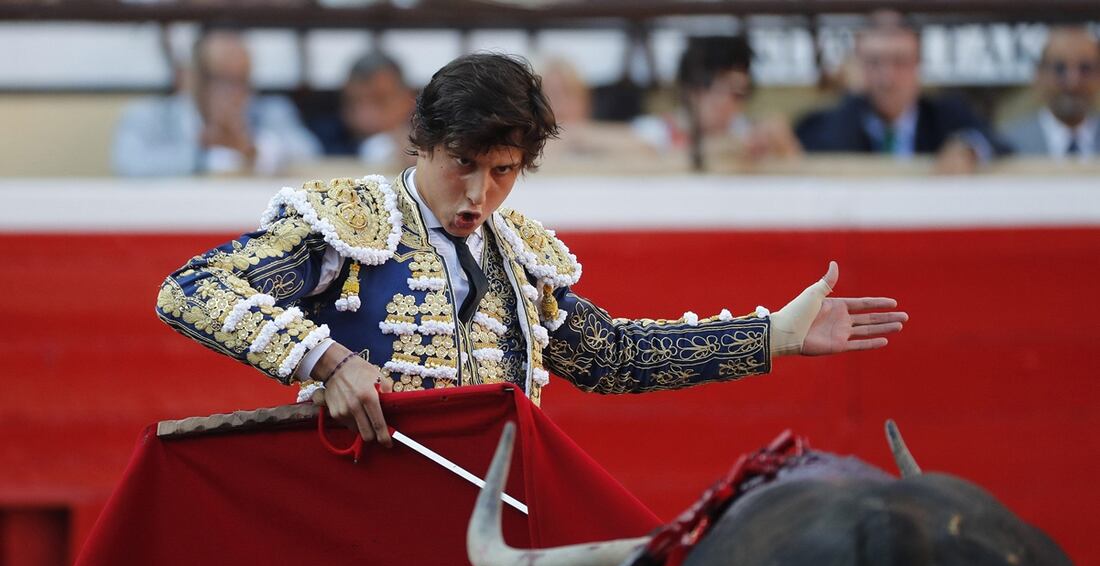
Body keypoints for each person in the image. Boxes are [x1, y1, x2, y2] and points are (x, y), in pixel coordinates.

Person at [157, 53, 907, 447]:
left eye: (504, 172)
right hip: (360, 503)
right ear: (422, 143)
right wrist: (328, 360)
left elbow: (613, 359)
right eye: (463, 164)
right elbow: (190, 289)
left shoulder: (519, 260)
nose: (479, 194)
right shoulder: (352, 220)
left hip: (490, 518)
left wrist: (774, 334)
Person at [795, 11, 1008, 173]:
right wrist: (853, 96)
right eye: (874, 62)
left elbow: (1000, 144)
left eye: (900, 62)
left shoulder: (947, 115)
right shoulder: (824, 124)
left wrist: (969, 149)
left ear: (918, 65)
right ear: (858, 64)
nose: (887, 78)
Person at [112, 29, 320, 177]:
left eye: (241, 80)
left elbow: (309, 155)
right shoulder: (150, 116)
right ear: (192, 79)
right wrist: (203, 155)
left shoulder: (271, 111)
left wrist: (251, 149)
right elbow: (129, 165)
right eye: (221, 79)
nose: (233, 92)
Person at [633, 35, 801, 170]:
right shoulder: (654, 132)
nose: (729, 103)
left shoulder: (747, 132)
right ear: (692, 90)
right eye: (722, 88)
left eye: (740, 93)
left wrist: (783, 145)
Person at [1002, 26, 1099, 160]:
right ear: (1039, 75)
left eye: (1085, 69)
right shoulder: (1009, 144)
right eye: (1060, 68)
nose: (1073, 82)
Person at [310, 51, 417, 164]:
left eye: (380, 101)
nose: (365, 116)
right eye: (353, 103)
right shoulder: (323, 138)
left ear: (408, 100)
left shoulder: (426, 141)